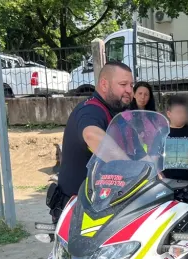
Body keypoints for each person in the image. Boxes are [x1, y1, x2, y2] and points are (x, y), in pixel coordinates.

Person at [52, 61, 133, 220]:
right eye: (123, 84)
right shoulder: (90, 109)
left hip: (102, 205)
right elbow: (92, 135)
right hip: (77, 209)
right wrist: (128, 166)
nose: (129, 90)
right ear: (104, 84)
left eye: (131, 85)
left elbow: (140, 151)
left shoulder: (119, 115)